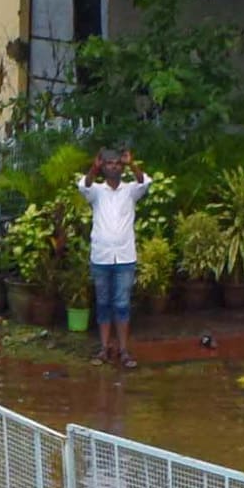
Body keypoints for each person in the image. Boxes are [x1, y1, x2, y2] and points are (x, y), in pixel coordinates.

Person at [79, 145, 149, 365]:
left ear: (122, 167)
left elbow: (144, 182)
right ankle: (104, 348)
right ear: (104, 167)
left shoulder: (130, 191)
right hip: (101, 256)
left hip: (125, 257)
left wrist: (132, 163)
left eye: (117, 164)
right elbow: (84, 186)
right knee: (103, 304)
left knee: (122, 304)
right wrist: (94, 167)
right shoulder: (97, 191)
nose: (113, 167)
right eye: (109, 163)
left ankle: (124, 350)